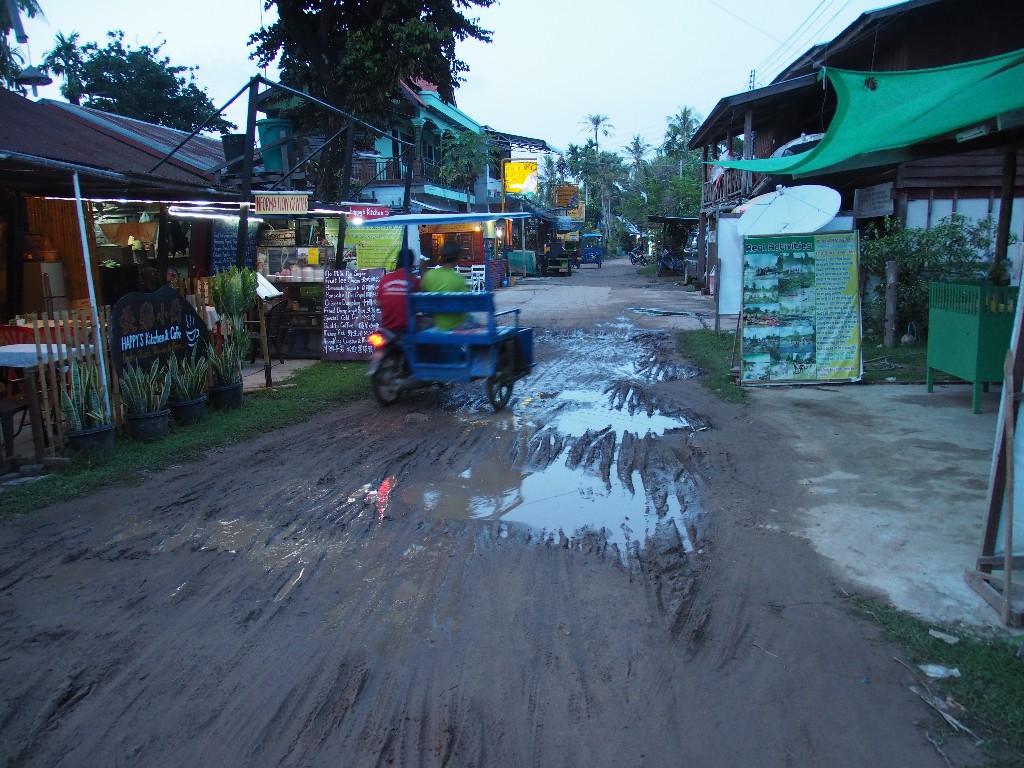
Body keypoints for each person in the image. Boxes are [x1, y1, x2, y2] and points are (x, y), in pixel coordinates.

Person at [420, 241, 470, 330]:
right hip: (456, 325)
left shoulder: (430, 275)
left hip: (438, 323)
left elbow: (422, 290)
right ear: (457, 258)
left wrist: (423, 268)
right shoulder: (459, 279)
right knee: (474, 321)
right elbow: (466, 306)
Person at [376, 249, 421, 333]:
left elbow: (378, 303)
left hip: (387, 329)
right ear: (412, 264)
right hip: (408, 329)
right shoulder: (414, 281)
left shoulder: (386, 279)